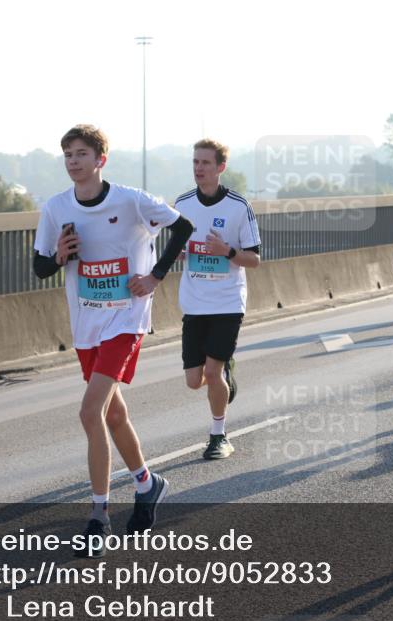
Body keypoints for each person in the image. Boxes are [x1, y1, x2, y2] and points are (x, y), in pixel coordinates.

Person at [33, 125, 194, 557]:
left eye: (81, 154)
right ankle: (147, 483)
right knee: (114, 413)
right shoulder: (56, 208)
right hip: (86, 322)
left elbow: (183, 227)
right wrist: (59, 256)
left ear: (100, 159)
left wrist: (155, 276)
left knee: (91, 412)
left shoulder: (130, 200)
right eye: (68, 154)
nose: (73, 161)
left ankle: (98, 517)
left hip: (126, 319)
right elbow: (40, 267)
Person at [174, 139, 261, 460]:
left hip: (227, 303)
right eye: (195, 162)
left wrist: (227, 251)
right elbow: (175, 247)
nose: (199, 168)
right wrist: (180, 253)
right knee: (193, 380)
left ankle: (218, 436)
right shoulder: (182, 204)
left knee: (211, 373)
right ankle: (225, 372)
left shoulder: (238, 206)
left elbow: (254, 259)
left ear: (220, 167)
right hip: (194, 302)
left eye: (206, 163)